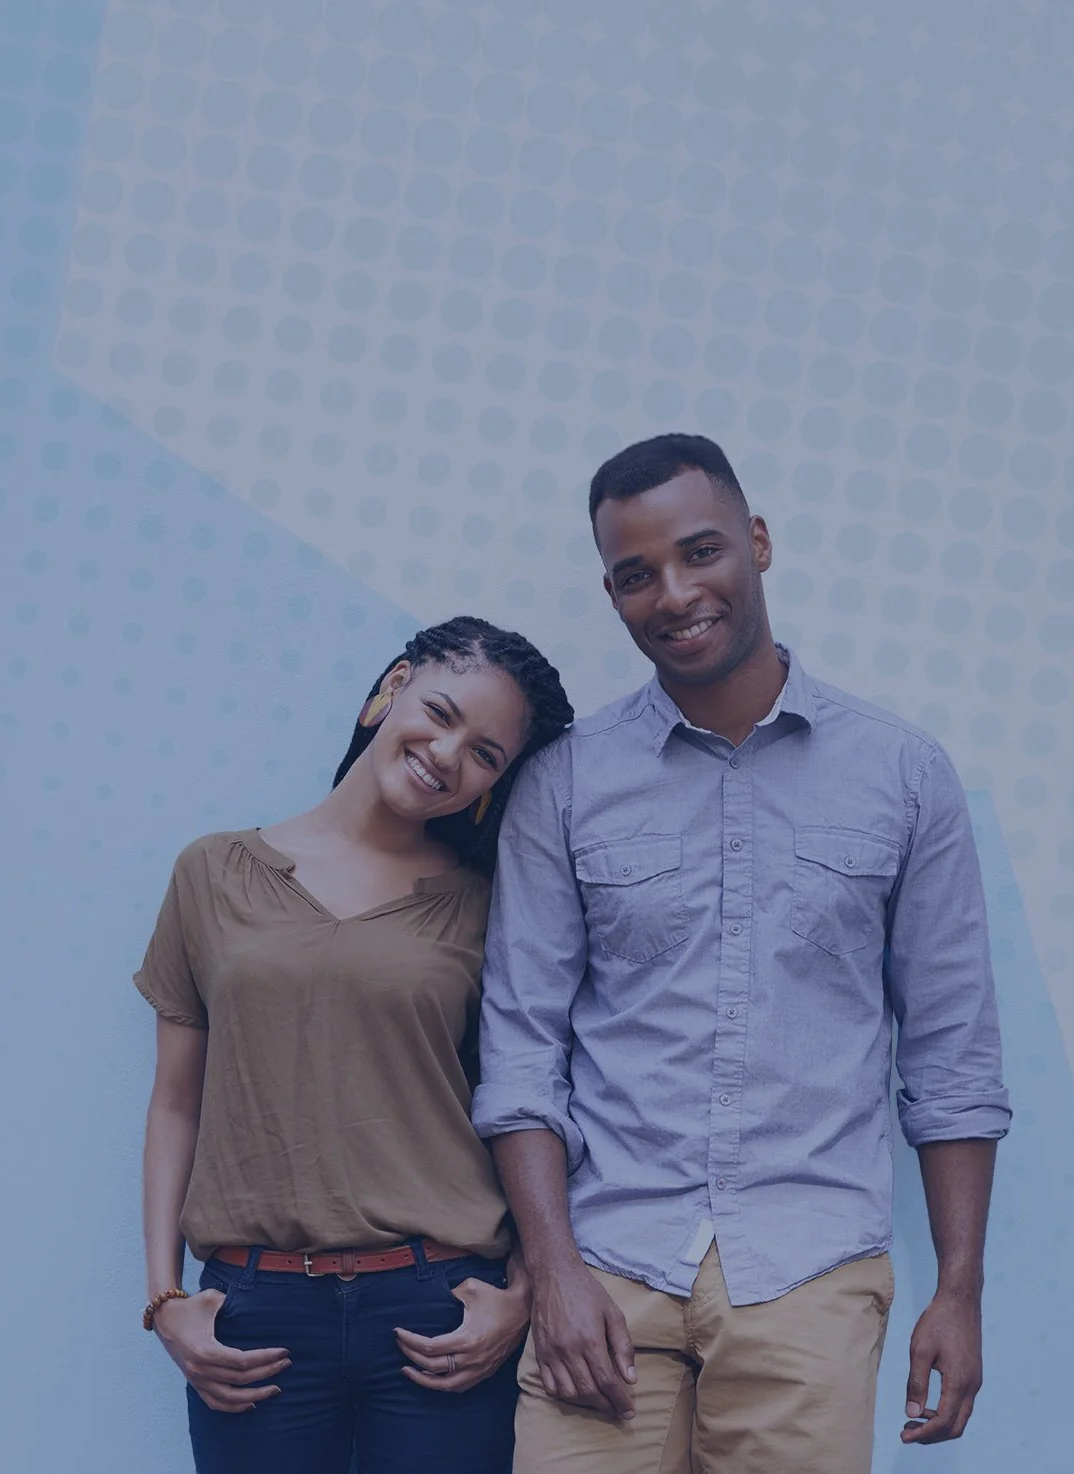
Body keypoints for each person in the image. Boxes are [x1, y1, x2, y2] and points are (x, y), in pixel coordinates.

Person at [474, 434, 1011, 1474]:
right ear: (612, 592)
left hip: (809, 1270)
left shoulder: (901, 775)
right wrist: (555, 1271)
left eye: (699, 552)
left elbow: (951, 1059)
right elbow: (521, 1049)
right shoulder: (565, 782)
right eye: (636, 576)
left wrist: (959, 1288)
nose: (672, 594)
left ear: (757, 544)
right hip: (605, 1269)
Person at [135, 617, 576, 1474]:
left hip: (438, 1309)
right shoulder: (212, 872)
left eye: (486, 754)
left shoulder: (490, 907)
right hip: (253, 1316)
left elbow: (531, 1104)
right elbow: (174, 1103)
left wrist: (521, 1291)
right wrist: (165, 1299)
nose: (449, 754)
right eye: (441, 712)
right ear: (391, 688)